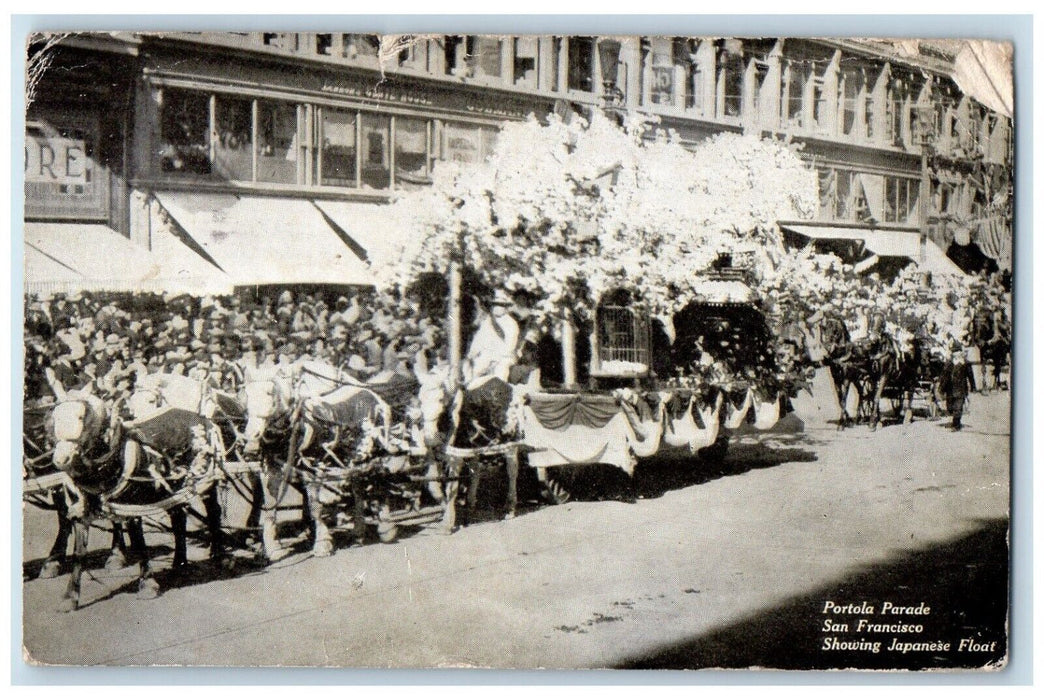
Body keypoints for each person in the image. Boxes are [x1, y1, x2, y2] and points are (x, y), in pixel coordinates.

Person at [463, 290, 520, 386]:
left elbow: (510, 347)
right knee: (474, 370)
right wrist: (471, 354)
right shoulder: (487, 321)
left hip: (503, 357)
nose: (498, 307)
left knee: (501, 373)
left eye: (501, 305)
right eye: (496, 304)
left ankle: (499, 395)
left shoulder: (511, 323)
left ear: (505, 307)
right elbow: (478, 340)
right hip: (487, 355)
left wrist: (495, 361)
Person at [938, 348, 973, 431]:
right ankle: (955, 420)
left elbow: (970, 376)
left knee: (958, 407)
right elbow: (944, 377)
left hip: (961, 388)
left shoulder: (965, 364)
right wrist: (941, 388)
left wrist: (973, 386)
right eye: (955, 353)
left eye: (959, 353)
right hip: (949, 388)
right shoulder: (949, 364)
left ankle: (956, 424)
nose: (957, 354)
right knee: (950, 407)